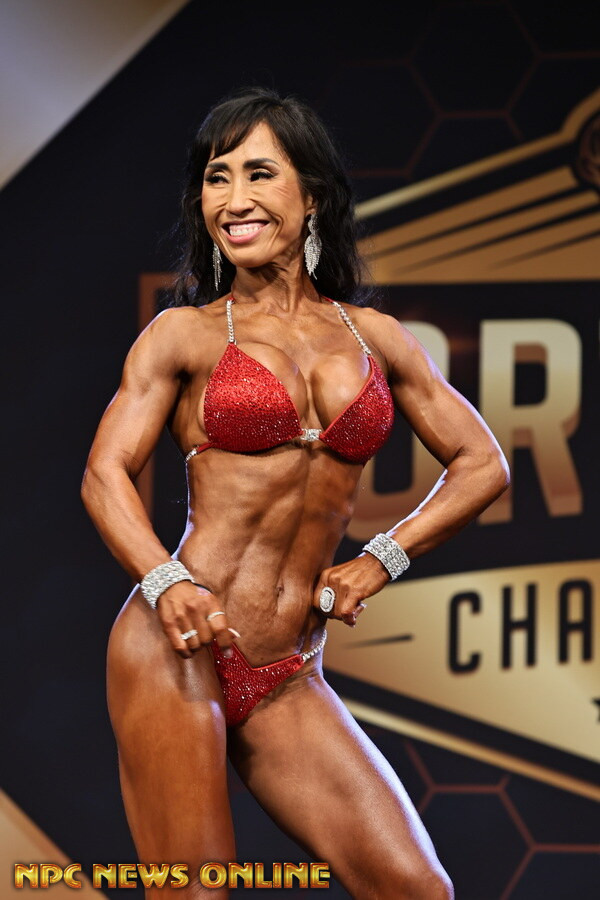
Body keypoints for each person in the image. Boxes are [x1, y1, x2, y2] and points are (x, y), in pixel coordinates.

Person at [81, 86, 509, 899]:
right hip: (178, 649)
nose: (232, 199)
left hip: (288, 671)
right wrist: (164, 580)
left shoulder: (375, 339)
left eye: (258, 174)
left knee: (419, 890)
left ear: (311, 196)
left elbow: (482, 462)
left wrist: (379, 560)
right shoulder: (183, 335)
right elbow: (104, 474)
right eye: (216, 178)